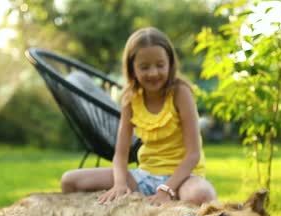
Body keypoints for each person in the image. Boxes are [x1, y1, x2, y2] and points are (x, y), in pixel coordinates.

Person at [61, 27, 216, 206]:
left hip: (183, 178)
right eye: (144, 67)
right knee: (69, 181)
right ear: (132, 69)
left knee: (202, 195)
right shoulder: (131, 99)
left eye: (160, 65)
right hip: (144, 176)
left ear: (170, 64)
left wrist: (166, 189)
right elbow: (120, 154)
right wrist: (119, 184)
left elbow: (193, 155)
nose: (153, 73)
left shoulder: (181, 93)